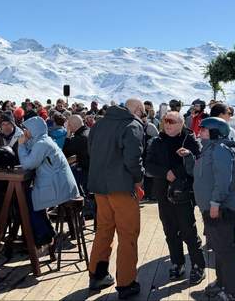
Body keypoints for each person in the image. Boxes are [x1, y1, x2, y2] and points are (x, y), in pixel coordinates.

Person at [87, 99, 145, 299]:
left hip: (99, 187)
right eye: (143, 113)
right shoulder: (132, 125)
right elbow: (133, 160)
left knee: (104, 229)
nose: (142, 117)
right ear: (137, 110)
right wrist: (139, 179)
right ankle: (126, 283)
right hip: (121, 187)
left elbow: (90, 151)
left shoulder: (99, 123)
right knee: (128, 234)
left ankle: (97, 274)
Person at [183, 117, 235, 301]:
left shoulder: (220, 150)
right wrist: (188, 157)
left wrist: (215, 203)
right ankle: (221, 283)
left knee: (225, 252)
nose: (199, 131)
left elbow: (224, 180)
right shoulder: (207, 150)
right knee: (219, 249)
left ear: (215, 133)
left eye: (203, 129)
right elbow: (198, 174)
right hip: (210, 209)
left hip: (221, 210)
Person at [145, 110, 206, 283]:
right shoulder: (157, 141)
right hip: (163, 192)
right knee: (170, 231)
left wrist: (178, 170)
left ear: (181, 124)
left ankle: (198, 265)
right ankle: (177, 263)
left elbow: (198, 163)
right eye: (166, 121)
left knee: (188, 230)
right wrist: (165, 173)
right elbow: (148, 166)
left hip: (184, 192)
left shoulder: (190, 139)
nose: (168, 124)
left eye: (172, 121)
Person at [17, 116, 79, 247]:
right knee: (27, 197)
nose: (25, 132)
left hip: (58, 187)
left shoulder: (42, 144)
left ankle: (43, 235)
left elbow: (28, 164)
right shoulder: (43, 140)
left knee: (26, 199)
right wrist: (25, 143)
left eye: (26, 129)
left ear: (33, 130)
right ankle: (45, 232)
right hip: (60, 184)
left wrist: (21, 145)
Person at [63, 114, 90, 193]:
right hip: (94, 167)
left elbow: (65, 153)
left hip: (86, 170)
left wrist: (68, 135)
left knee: (67, 178)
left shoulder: (79, 138)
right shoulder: (89, 130)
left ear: (71, 126)